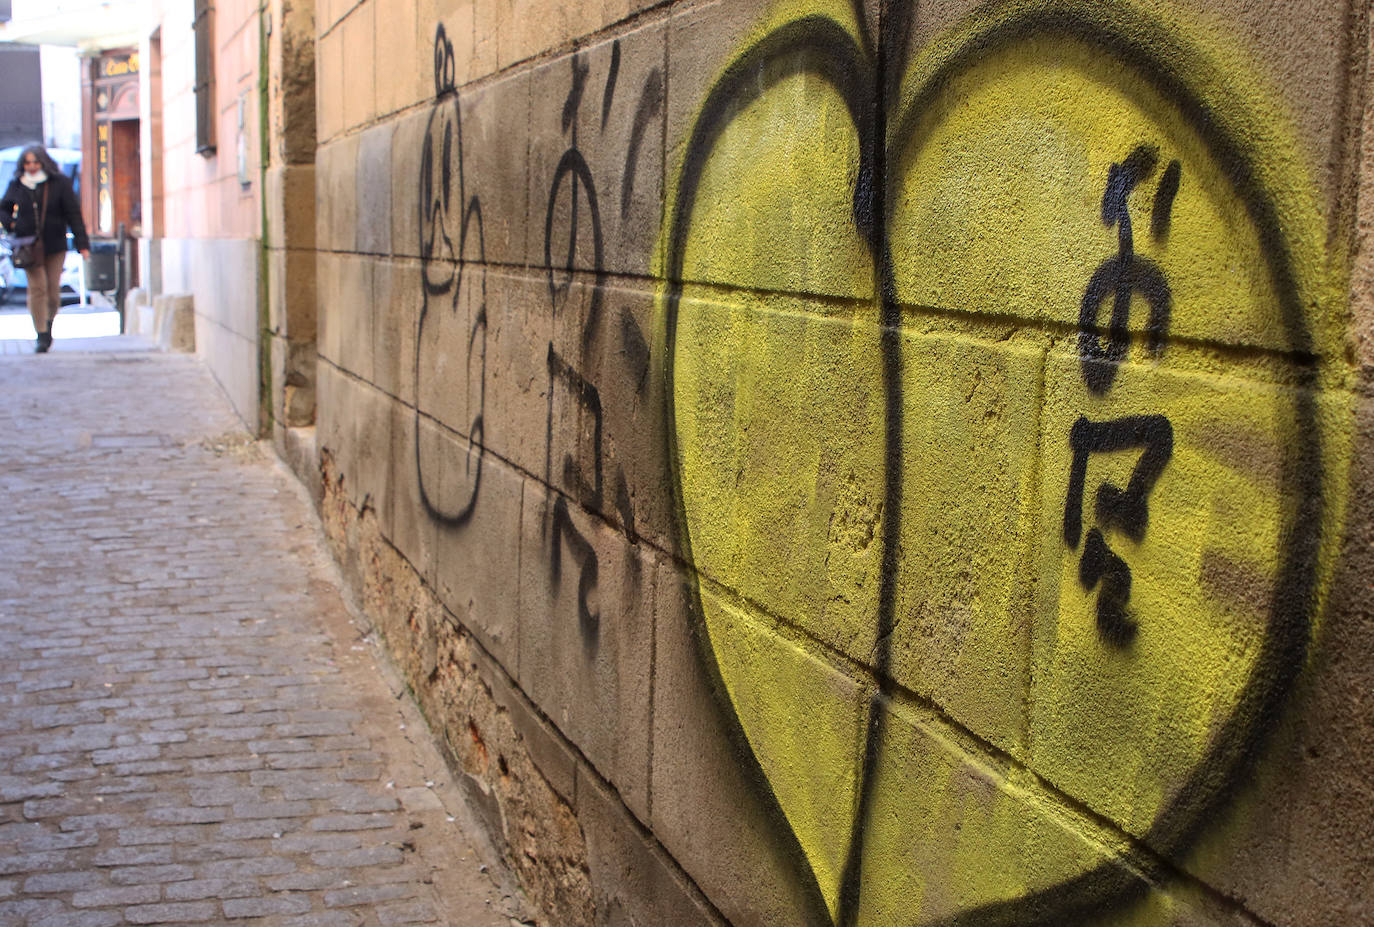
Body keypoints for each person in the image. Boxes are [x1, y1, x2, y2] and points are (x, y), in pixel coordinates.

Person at [0, 145, 90, 353]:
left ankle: (48, 325)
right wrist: (11, 225)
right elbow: (4, 209)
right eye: (27, 163)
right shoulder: (17, 185)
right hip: (28, 245)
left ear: (43, 163)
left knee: (52, 291)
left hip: (54, 244)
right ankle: (40, 333)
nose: (31, 167)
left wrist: (82, 244)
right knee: (38, 288)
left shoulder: (59, 184)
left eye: (35, 162)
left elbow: (73, 214)